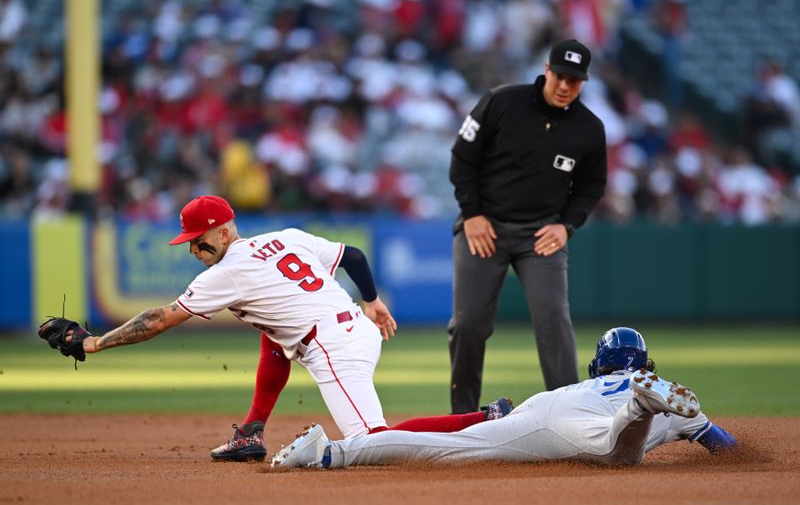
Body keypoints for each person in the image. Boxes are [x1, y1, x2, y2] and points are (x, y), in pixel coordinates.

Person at [64, 195, 513, 461]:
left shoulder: (226, 273)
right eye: (187, 243)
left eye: (197, 241)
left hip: (336, 348)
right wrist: (373, 302)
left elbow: (160, 319)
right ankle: (252, 432)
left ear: (222, 233)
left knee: (373, 442)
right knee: (274, 335)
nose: (192, 250)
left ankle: (484, 417)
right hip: (353, 327)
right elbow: (353, 256)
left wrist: (96, 342)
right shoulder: (284, 238)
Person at [269, 327, 738, 469]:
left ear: (600, 366)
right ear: (647, 367)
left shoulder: (587, 381)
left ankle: (328, 451)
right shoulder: (680, 407)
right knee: (618, 453)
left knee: (445, 450)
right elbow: (726, 448)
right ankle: (639, 406)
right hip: (600, 422)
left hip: (550, 407)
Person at [447, 38, 607, 413]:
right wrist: (472, 214)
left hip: (541, 235)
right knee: (468, 324)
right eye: (562, 76)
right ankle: (463, 417)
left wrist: (567, 226)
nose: (566, 86)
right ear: (547, 71)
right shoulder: (502, 102)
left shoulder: (588, 128)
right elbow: (462, 159)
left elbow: (591, 186)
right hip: (485, 228)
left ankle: (571, 415)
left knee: (554, 317)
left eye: (576, 80)